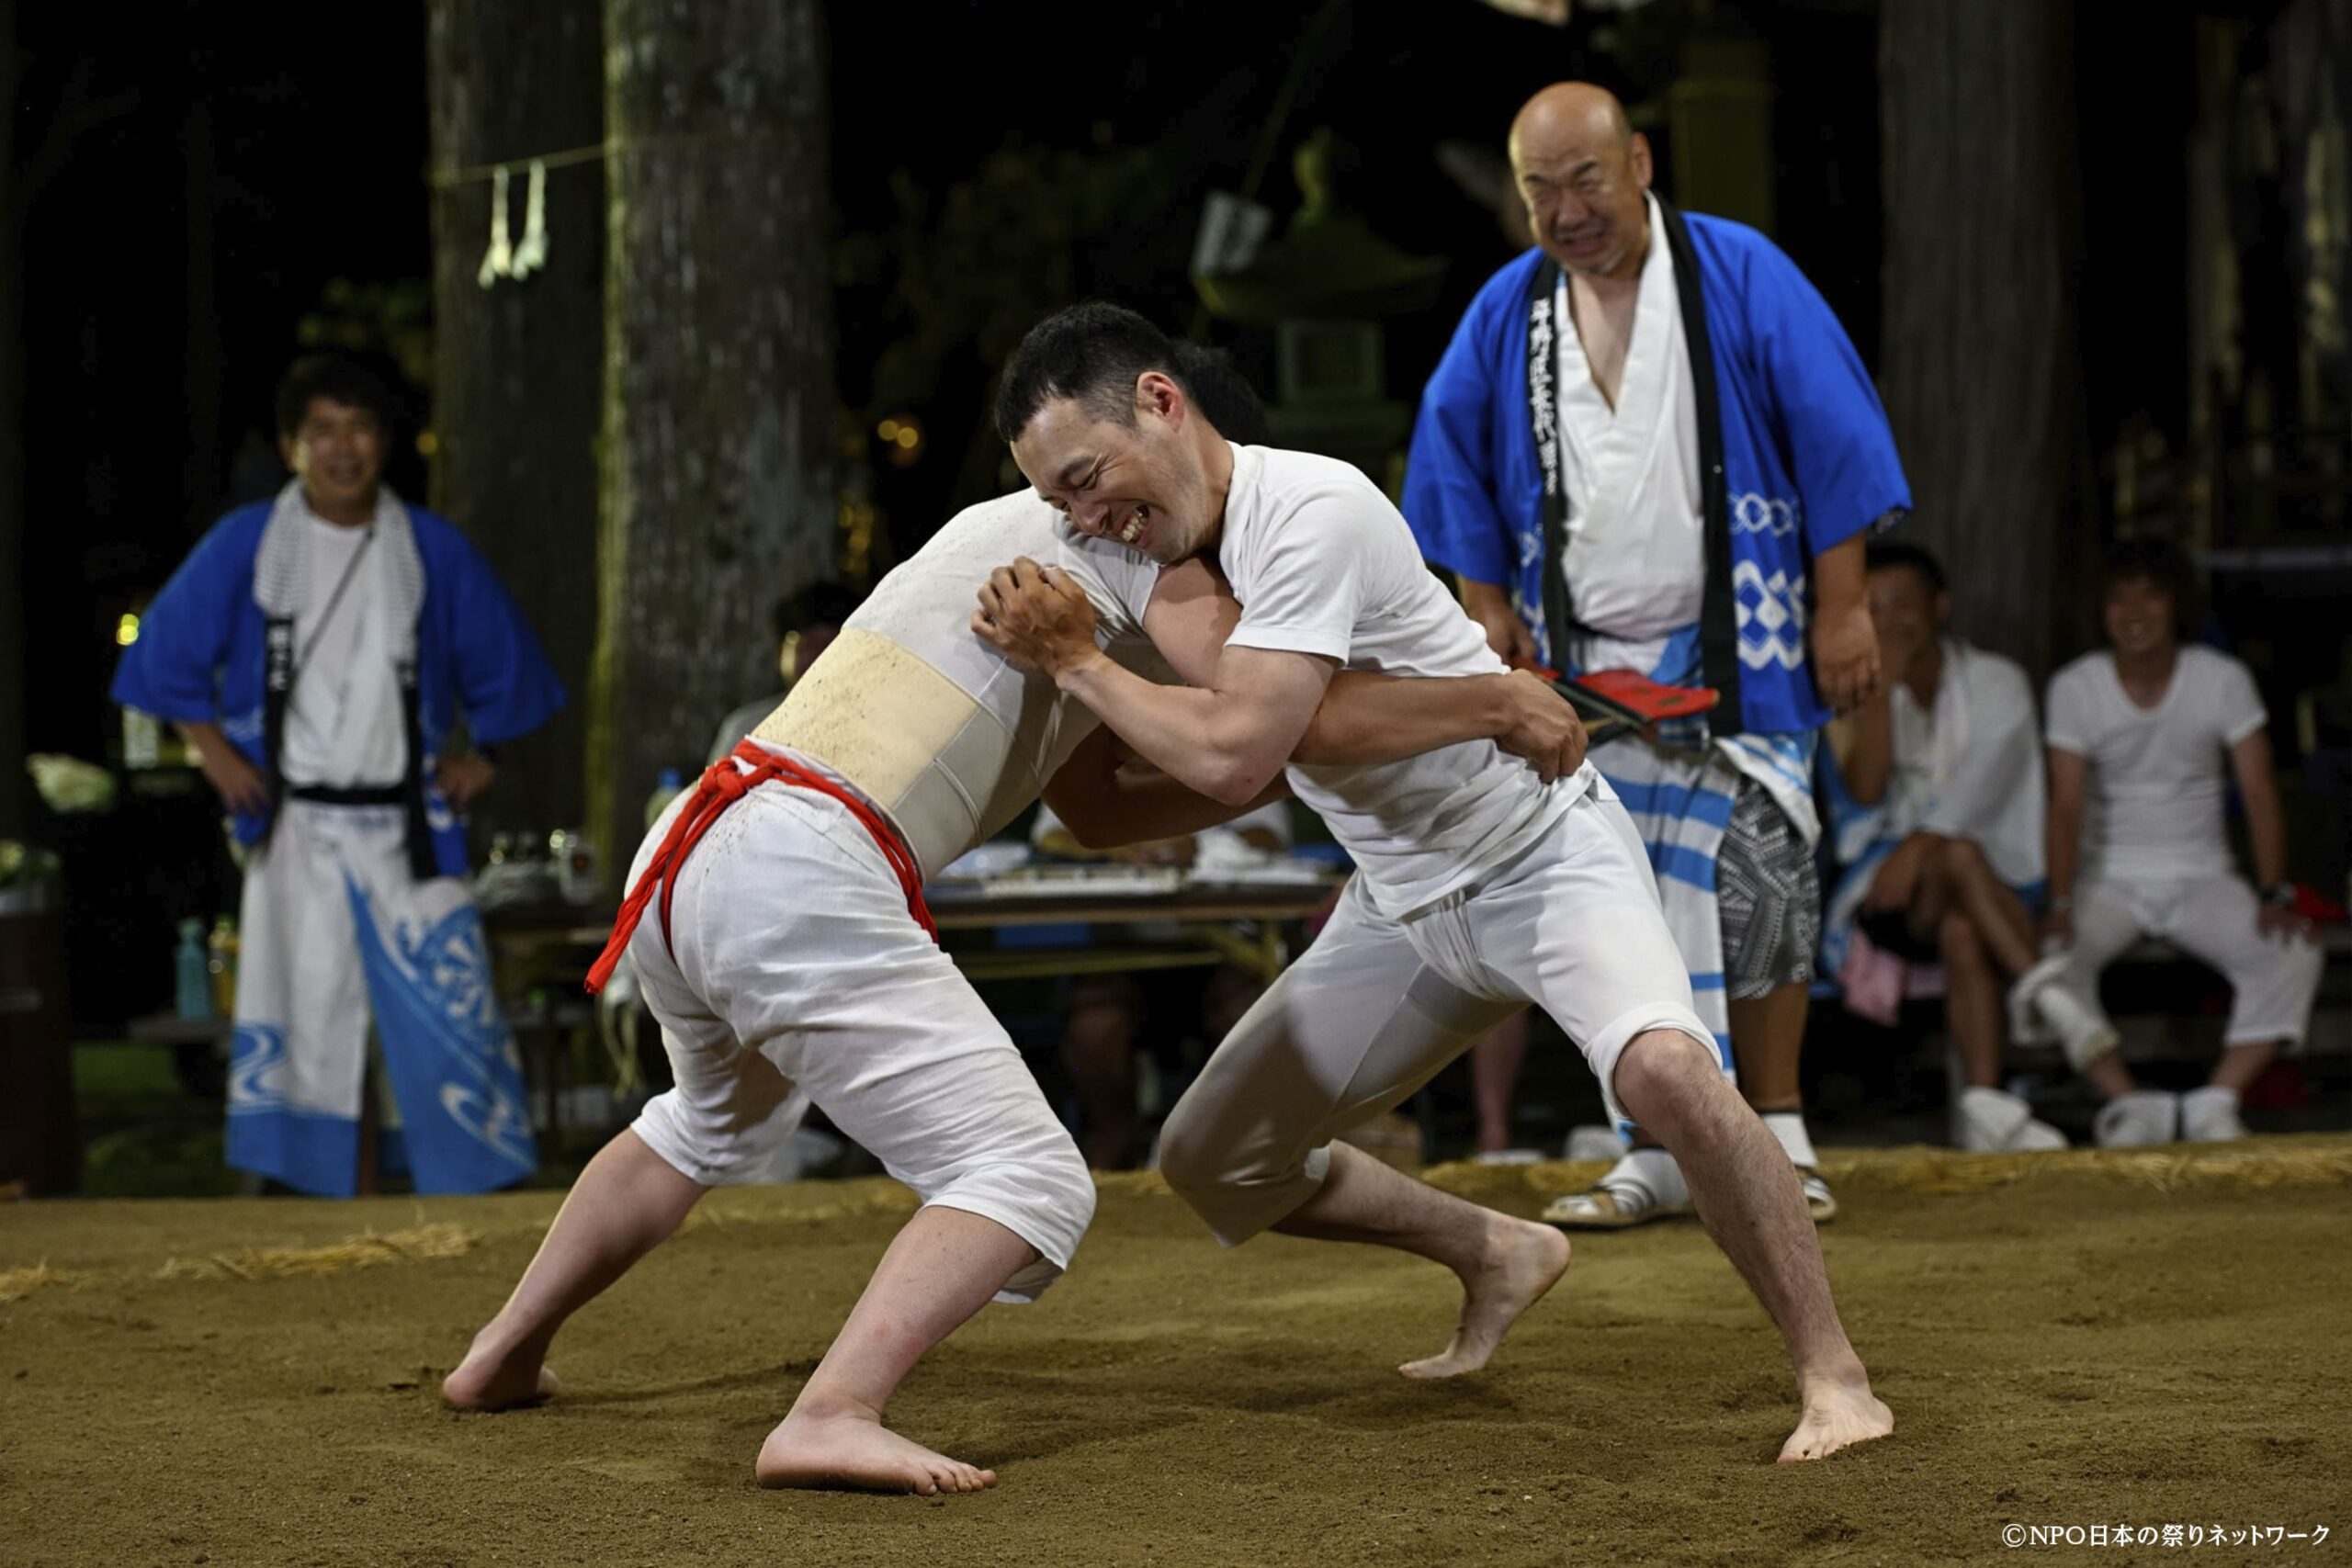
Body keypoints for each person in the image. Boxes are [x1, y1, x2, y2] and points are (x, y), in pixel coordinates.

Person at [439, 347, 1594, 1494]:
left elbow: (1101, 805)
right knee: (1028, 1177)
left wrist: (1221, 735)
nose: (1093, 510)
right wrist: (1485, 702)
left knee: (702, 1120)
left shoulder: (999, 536)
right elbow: (1260, 729)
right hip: (800, 863)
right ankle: (832, 1410)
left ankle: (502, 1353)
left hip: (699, 840)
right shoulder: (1145, 547)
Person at [983, 301, 1892, 1462]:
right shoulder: (1144, 559)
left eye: (1084, 477)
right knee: (1211, 1160)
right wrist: (1058, 690)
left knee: (1665, 1069)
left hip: (1539, 851)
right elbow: (1209, 769)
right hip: (1400, 907)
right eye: (1058, 504)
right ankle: (1494, 1248)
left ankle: (1834, 1375)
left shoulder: (1311, 503)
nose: (1081, 517)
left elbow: (1238, 747)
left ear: (1160, 401)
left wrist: (1073, 661)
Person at [1400, 83, 1912, 1226]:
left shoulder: (1739, 272)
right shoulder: (1509, 309)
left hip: (1746, 635)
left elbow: (1832, 433)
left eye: (1585, 179)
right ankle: (1655, 1144)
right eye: (1541, 190)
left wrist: (1843, 609)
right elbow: (1451, 458)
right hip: (1580, 660)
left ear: (1638, 162)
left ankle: (1774, 1125)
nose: (1566, 210)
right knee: (1606, 893)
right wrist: (1484, 606)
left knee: (1765, 867)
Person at [111, 355, 563, 1198]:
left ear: (384, 443)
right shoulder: (247, 542)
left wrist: (485, 760)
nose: (342, 448)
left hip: (409, 821)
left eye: (359, 429)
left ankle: (465, 1187)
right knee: (306, 1012)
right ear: (291, 447)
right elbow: (164, 654)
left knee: (444, 1006)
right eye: (321, 430)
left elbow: (506, 661)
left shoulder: (429, 547)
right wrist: (214, 751)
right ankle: (310, 1192)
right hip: (295, 823)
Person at [2021, 540, 2324, 1145]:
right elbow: (2066, 803)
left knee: (2294, 951)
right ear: (2101, 612)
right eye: (2117, 598)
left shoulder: (2222, 679)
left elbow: (2260, 789)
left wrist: (2274, 890)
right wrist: (2058, 903)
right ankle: (2131, 1105)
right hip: (2107, 882)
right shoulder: (2077, 686)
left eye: (2150, 595)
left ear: (2176, 606)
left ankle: (2217, 1099)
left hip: (2205, 875)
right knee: (2049, 970)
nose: (2134, 610)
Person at [1820, 543, 2063, 1151]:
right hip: (1891, 898)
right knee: (1952, 858)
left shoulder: (1996, 681)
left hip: (1995, 882)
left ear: (1941, 606)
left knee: (1962, 917)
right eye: (1873, 606)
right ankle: (2052, 997)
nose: (1890, 618)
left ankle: (1984, 1111)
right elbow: (1864, 800)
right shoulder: (1850, 691)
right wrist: (1881, 696)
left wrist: (1923, 844)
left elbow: (1980, 791)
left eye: (1904, 602)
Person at [707, 581, 862, 765]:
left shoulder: (875, 728)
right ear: (782, 653)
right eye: (808, 647)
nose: (818, 660)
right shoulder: (748, 729)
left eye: (830, 647)